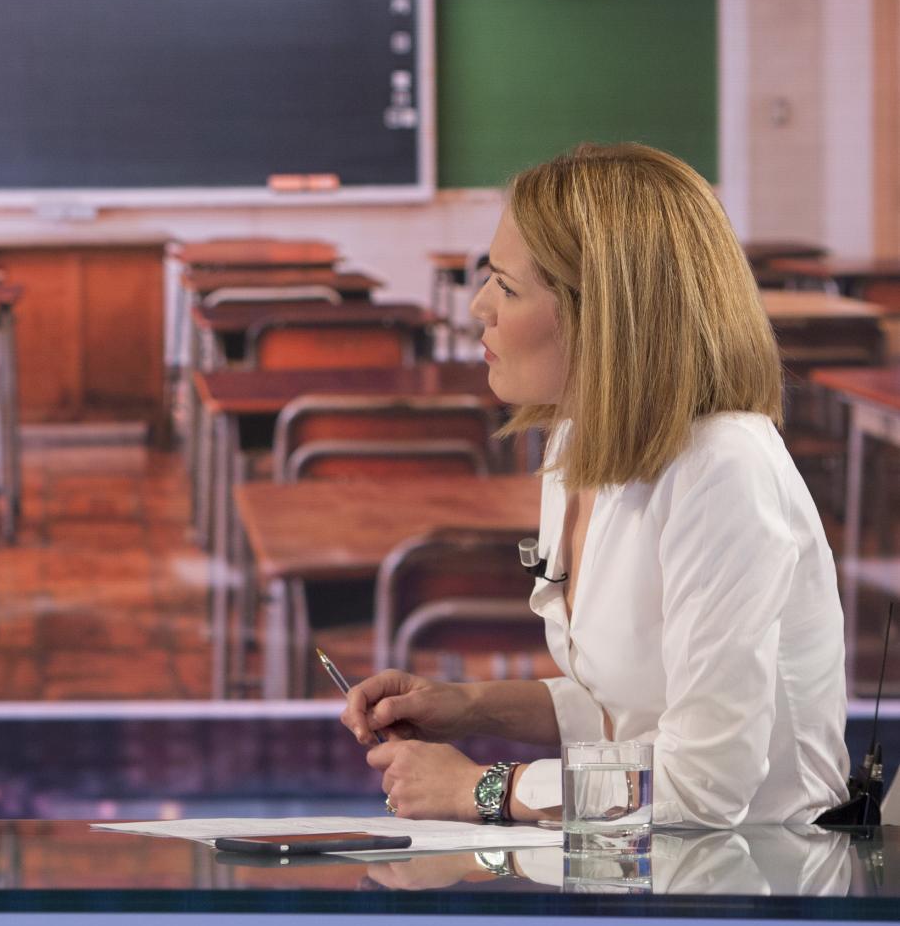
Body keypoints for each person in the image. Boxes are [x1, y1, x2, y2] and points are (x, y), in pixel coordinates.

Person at [343, 143, 849, 828]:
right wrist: (466, 705)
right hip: (639, 870)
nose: (477, 308)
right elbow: (625, 709)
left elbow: (702, 788)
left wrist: (485, 789)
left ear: (604, 313)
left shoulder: (724, 470)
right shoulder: (580, 440)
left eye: (506, 286)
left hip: (760, 884)